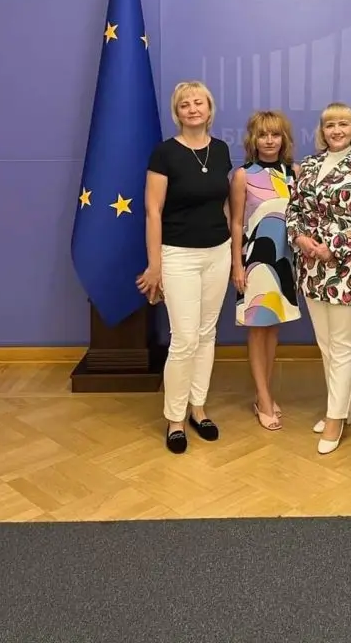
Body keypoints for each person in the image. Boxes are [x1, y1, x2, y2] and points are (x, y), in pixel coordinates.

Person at [136, 81, 232, 455]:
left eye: (198, 102)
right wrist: (155, 265)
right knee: (185, 339)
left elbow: (224, 205)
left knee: (207, 335)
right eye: (184, 105)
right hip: (178, 256)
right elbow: (153, 211)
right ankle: (175, 419)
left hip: (218, 253)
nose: (192, 109)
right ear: (177, 113)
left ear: (209, 108)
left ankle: (198, 409)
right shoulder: (164, 154)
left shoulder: (221, 150)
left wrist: (232, 250)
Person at [286, 102, 351, 455]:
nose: (336, 130)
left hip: (345, 271)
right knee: (326, 345)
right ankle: (342, 407)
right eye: (330, 125)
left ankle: (335, 418)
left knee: (343, 345)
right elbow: (293, 210)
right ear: (321, 131)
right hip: (311, 269)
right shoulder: (309, 165)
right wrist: (299, 238)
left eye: (343, 124)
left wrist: (333, 247)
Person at [229, 111, 300, 431]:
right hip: (255, 262)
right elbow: (235, 223)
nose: (269, 141)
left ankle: (264, 393)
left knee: (273, 329)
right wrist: (237, 265)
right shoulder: (243, 175)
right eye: (263, 135)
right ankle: (264, 398)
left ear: (284, 139)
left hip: (285, 261)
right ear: (253, 139)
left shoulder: (294, 173)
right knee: (258, 329)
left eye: (275, 134)